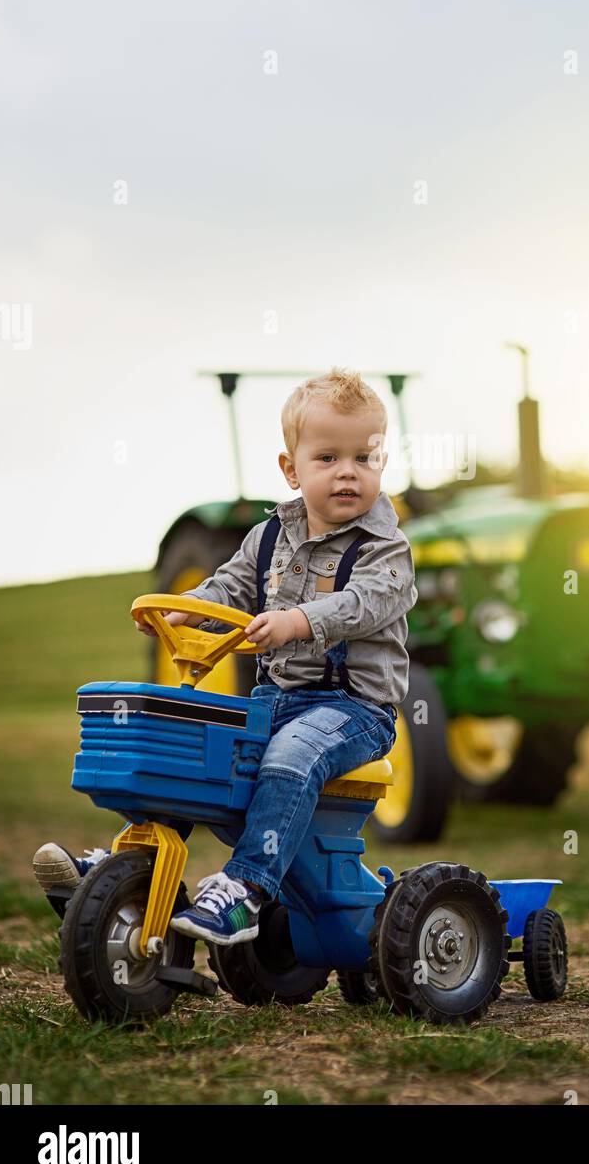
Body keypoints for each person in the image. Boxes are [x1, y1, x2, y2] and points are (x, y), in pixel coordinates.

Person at [33, 368, 418, 946]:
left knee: (294, 751)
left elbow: (365, 604)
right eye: (327, 457)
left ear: (382, 462)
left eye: (364, 457)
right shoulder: (267, 539)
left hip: (354, 711)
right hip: (275, 701)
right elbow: (228, 586)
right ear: (292, 469)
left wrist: (298, 620)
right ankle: (126, 866)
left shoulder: (386, 548)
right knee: (194, 745)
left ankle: (246, 889)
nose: (347, 472)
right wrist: (184, 608)